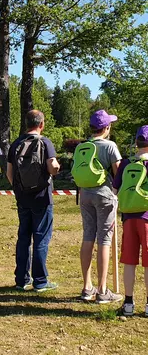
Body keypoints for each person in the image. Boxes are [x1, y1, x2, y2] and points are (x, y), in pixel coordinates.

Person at [7, 110, 60, 292]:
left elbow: (9, 172)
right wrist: (56, 169)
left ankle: (21, 280)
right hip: (42, 198)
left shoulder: (16, 144)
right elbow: (52, 166)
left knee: (23, 238)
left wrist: (19, 189)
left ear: (26, 123)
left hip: (23, 199)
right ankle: (40, 281)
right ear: (42, 124)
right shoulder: (45, 142)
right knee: (41, 238)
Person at [78, 110, 123, 303]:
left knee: (88, 236)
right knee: (104, 239)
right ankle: (103, 290)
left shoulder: (83, 146)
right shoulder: (110, 146)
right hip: (104, 196)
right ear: (106, 128)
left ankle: (87, 287)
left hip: (85, 194)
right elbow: (119, 174)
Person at [113, 125, 148, 316]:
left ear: (136, 142)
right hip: (147, 218)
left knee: (130, 262)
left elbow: (115, 190)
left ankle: (128, 303)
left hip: (128, 217)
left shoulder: (126, 163)